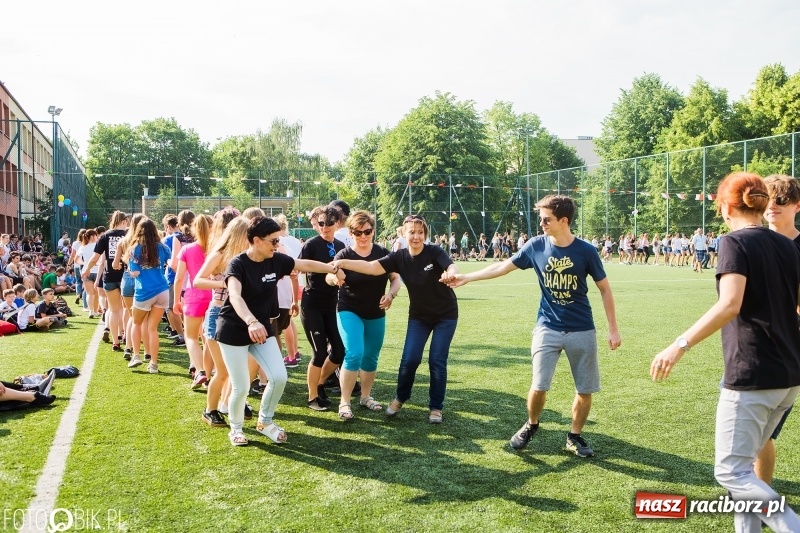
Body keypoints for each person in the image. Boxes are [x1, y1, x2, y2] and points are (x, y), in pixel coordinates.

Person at [651, 172, 800, 532]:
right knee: (745, 466)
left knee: (730, 471)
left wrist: (679, 344)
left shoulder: (734, 242)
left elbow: (729, 304)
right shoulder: (786, 244)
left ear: (723, 207)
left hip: (753, 373)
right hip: (789, 374)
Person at [444, 195, 621, 456]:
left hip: (582, 329)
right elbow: (503, 267)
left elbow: (605, 290)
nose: (541, 223)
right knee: (539, 384)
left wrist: (613, 328)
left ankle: (574, 436)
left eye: (546, 219)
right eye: (540, 218)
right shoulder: (535, 246)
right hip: (547, 327)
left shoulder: (586, 251)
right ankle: (531, 424)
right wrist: (467, 278)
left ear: (564, 220)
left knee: (585, 389)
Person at [215, 216, 341, 446]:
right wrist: (251, 321)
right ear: (256, 240)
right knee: (241, 385)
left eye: (278, 240)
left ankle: (265, 421)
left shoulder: (276, 260)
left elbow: (304, 265)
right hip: (234, 330)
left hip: (262, 330)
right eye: (273, 241)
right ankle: (236, 429)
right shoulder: (238, 264)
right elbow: (234, 296)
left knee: (279, 377)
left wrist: (330, 267)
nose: (277, 245)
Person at [334, 214, 460, 424]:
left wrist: (451, 273)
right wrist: (341, 262)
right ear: (404, 234)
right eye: (412, 232)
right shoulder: (398, 257)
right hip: (419, 316)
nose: (416, 237)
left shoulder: (434, 251)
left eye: (421, 232)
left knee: (437, 360)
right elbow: (372, 267)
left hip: (445, 315)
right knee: (409, 360)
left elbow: (451, 265)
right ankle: (400, 398)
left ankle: (436, 407)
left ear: (425, 234)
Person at [328, 210, 402, 420]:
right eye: (358, 232)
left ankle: (366, 397)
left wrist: (391, 294)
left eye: (367, 231)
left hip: (376, 312)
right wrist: (334, 280)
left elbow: (395, 278)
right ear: (350, 233)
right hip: (349, 309)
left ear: (373, 231)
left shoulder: (382, 252)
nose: (363, 236)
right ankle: (344, 402)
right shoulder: (344, 255)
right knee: (354, 353)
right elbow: (329, 276)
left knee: (371, 356)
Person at [753, 174, 800, 487]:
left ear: (797, 205)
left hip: (789, 352)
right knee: (758, 433)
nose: (773, 206)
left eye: (781, 200)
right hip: (755, 349)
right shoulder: (753, 242)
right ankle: (760, 494)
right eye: (768, 200)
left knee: (758, 431)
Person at [300, 205, 347, 411]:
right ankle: (312, 397)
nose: (325, 227)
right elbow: (299, 267)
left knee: (339, 351)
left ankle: (319, 384)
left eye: (329, 223)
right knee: (319, 352)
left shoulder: (340, 245)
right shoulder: (311, 244)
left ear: (337, 223)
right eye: (321, 223)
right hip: (312, 305)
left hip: (331, 305)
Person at [126, 218, 172, 373]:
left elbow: (135, 272)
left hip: (144, 291)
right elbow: (168, 262)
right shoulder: (163, 247)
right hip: (162, 290)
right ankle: (153, 364)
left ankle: (136, 356)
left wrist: (129, 271)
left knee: (136, 322)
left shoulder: (135, 248)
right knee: (152, 328)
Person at [174, 214, 214, 388]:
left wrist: (176, 299)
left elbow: (179, 278)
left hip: (194, 296)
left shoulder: (187, 249)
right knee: (208, 337)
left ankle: (200, 371)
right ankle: (209, 372)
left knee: (191, 336)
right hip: (214, 295)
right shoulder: (216, 248)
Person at [82, 211, 128, 350]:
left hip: (109, 276)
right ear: (124, 221)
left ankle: (116, 341)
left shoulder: (105, 236)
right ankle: (125, 335)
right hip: (126, 275)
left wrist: (87, 269)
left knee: (113, 310)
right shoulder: (128, 235)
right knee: (125, 309)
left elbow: (95, 258)